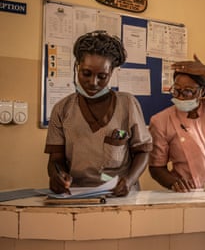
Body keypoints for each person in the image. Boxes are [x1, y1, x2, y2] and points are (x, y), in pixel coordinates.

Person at [45, 30, 152, 197]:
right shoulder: (62, 109)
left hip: (120, 193)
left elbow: (143, 151)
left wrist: (129, 180)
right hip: (77, 193)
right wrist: (56, 175)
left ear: (111, 74)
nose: (93, 82)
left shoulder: (128, 104)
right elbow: (55, 160)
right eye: (86, 73)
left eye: (102, 76)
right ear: (77, 67)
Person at [149, 54, 205, 192]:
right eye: (176, 90)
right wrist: (174, 183)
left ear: (201, 91)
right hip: (191, 192)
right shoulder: (161, 121)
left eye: (188, 92)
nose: (180, 96)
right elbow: (156, 167)